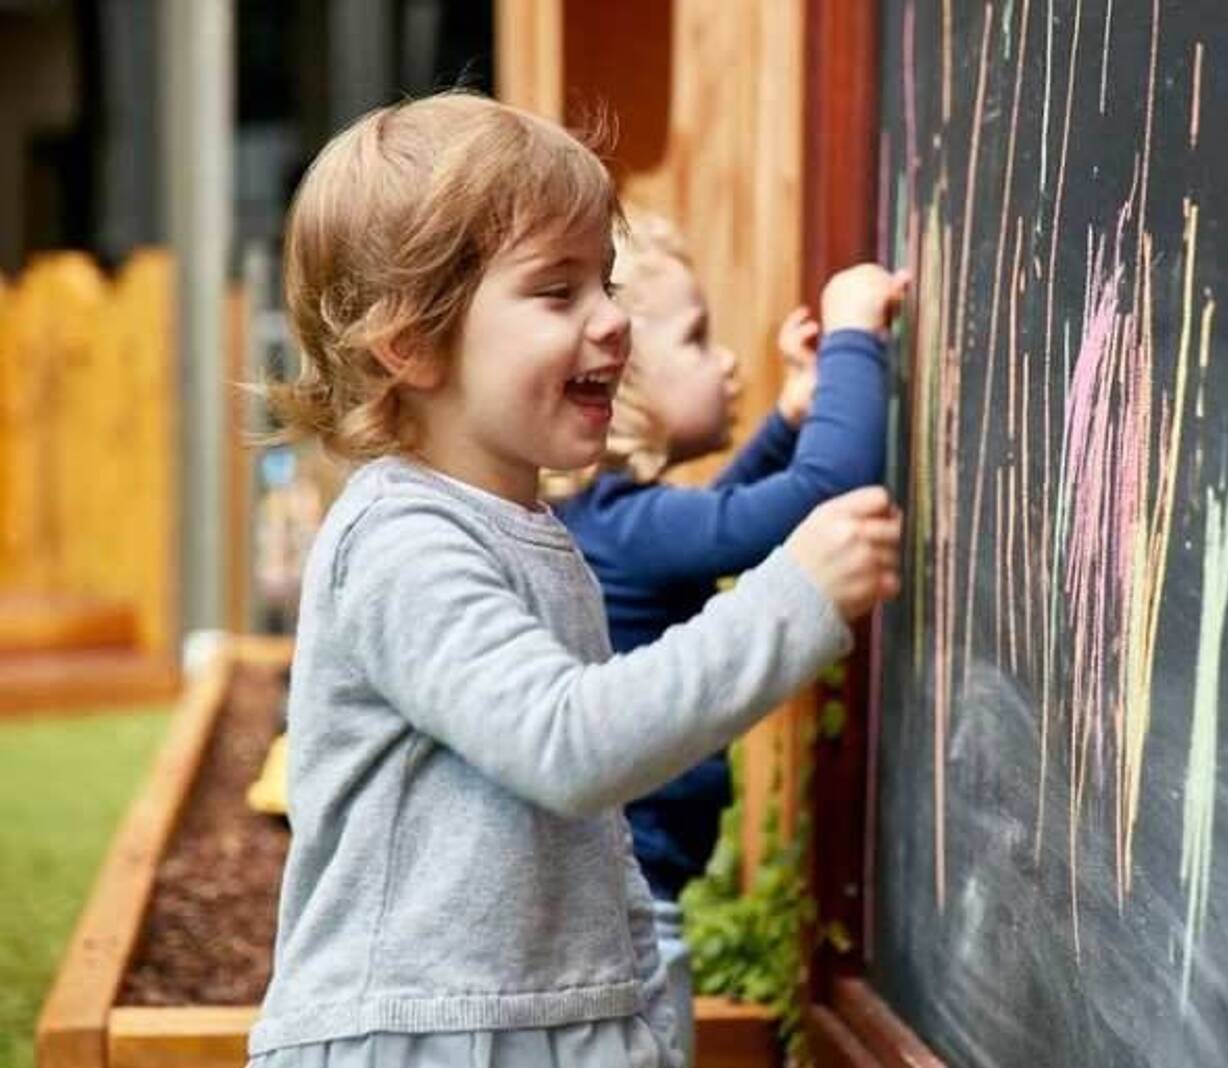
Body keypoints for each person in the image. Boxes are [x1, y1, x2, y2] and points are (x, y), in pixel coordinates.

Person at [245, 91, 905, 1068]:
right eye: (558, 291)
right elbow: (568, 741)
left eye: (605, 282)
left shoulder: (525, 528)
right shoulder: (400, 542)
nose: (613, 322)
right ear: (412, 343)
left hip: (524, 1017)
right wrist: (792, 597)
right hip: (417, 1035)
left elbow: (578, 851)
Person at [550, 212, 904, 1060]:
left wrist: (784, 422)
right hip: (638, 929)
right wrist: (854, 334)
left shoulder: (601, 519)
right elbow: (827, 490)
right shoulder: (627, 523)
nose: (727, 360)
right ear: (624, 382)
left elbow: (719, 523)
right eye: (698, 339)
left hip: (625, 906)